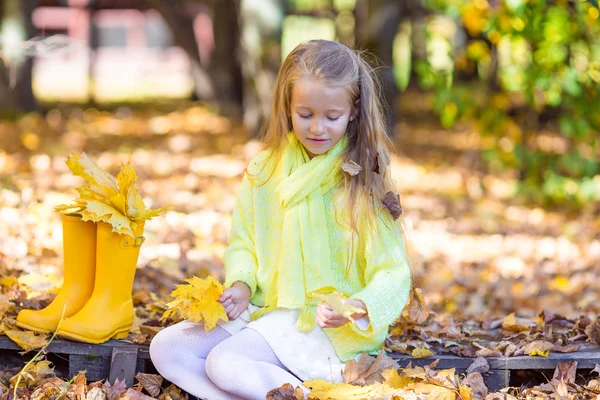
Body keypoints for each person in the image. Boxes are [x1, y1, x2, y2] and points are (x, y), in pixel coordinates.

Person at [149, 39, 412, 400]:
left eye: (331, 116)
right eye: (305, 114)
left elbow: (393, 271)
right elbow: (244, 241)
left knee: (225, 363)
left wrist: (357, 306)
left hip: (328, 330)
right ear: (286, 107)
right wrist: (241, 284)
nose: (317, 128)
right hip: (267, 309)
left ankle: (310, 393)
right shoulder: (264, 170)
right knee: (168, 348)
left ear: (353, 111)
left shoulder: (363, 179)